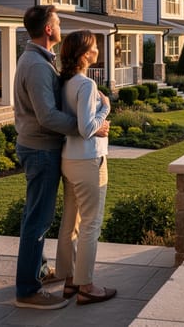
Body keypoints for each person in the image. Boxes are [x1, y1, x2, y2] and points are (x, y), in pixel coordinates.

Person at [13, 5, 109, 309]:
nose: (61, 26)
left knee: (51, 218)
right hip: (41, 150)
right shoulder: (38, 66)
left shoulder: (41, 63)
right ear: (48, 30)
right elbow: (47, 117)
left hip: (51, 151)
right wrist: (89, 129)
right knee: (38, 220)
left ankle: (42, 272)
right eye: (58, 22)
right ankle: (28, 289)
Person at [55, 30, 117, 305]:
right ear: (83, 55)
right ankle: (87, 287)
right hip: (89, 162)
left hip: (69, 160)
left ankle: (69, 281)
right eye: (93, 47)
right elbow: (87, 127)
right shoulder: (86, 85)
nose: (97, 50)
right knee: (91, 224)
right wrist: (105, 108)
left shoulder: (65, 82)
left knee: (71, 222)